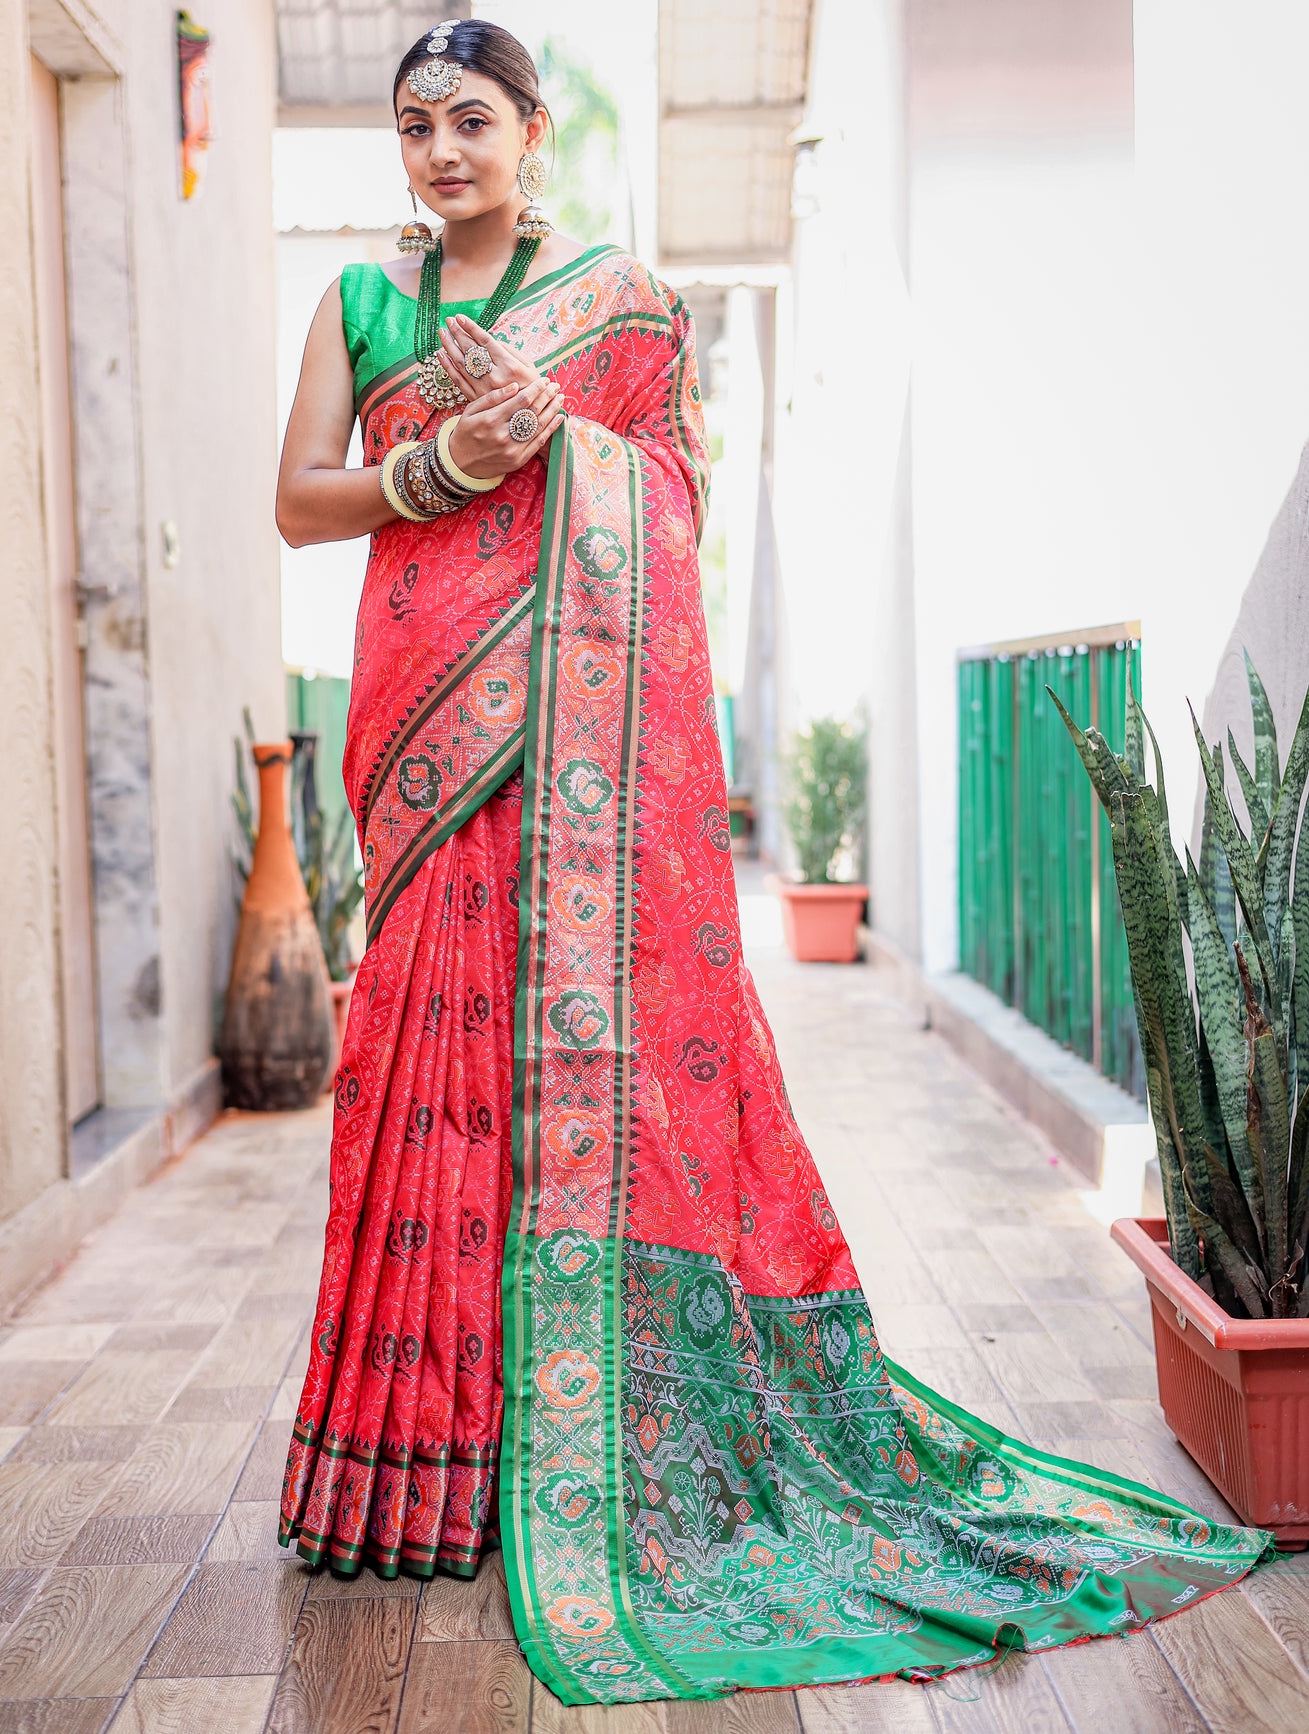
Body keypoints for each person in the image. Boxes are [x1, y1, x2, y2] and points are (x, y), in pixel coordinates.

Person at [274, 19, 1267, 1710]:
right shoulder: (363, 306)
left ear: (530, 132)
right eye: (413, 128)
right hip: (427, 749)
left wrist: (565, 450)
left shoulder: (631, 306)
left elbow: (671, 500)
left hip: (571, 762)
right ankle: (414, 1461)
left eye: (471, 122)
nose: (441, 153)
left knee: (564, 1085)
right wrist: (445, 465)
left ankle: (581, 1436)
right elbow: (302, 500)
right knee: (416, 1067)